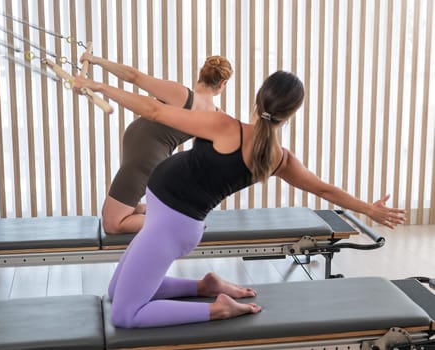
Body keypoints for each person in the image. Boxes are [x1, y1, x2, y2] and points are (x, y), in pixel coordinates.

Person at [73, 70, 406, 328]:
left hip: (170, 227)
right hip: (169, 220)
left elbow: (155, 112)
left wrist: (100, 87)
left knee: (125, 314)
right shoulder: (278, 157)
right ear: (290, 114)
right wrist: (368, 208)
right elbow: (322, 189)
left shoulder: (224, 126)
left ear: (258, 97)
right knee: (117, 292)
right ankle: (205, 286)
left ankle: (218, 309)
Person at [80, 53, 233, 234]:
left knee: (112, 224)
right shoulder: (217, 117)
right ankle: (171, 211)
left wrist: (98, 60)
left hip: (143, 159)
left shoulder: (182, 95)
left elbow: (134, 77)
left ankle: (182, 222)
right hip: (143, 157)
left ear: (200, 73)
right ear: (223, 84)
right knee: (113, 211)